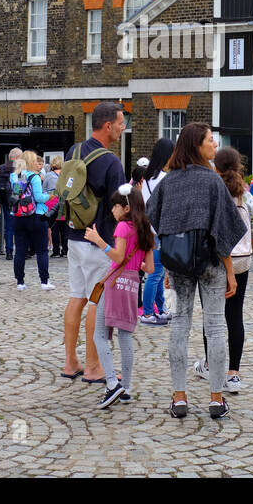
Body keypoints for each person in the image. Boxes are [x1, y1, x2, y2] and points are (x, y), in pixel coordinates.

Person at [145, 122, 247, 419]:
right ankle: (216, 398)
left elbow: (155, 221)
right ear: (196, 145)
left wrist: (166, 264)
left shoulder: (169, 181)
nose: (214, 144)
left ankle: (179, 398)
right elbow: (225, 232)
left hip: (177, 263)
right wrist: (230, 272)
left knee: (180, 323)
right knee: (215, 328)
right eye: (209, 140)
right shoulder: (213, 182)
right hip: (211, 264)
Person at [61, 102, 127, 384]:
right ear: (108, 125)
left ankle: (70, 362)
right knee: (97, 301)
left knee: (77, 296)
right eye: (121, 123)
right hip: (99, 241)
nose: (124, 128)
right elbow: (121, 206)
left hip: (74, 234)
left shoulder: (73, 151)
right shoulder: (111, 162)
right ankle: (93, 366)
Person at [192, 146, 253, 393]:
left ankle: (210, 364)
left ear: (216, 167)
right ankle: (234, 373)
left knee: (211, 315)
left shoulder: (210, 194)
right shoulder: (248, 197)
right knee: (235, 315)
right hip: (242, 261)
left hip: (213, 262)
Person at [85, 183, 156, 409]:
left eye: (115, 206)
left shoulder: (123, 228)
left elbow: (117, 254)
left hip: (116, 282)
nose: (112, 210)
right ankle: (125, 387)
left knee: (99, 334)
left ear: (125, 207)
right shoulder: (145, 228)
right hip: (133, 282)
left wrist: (99, 241)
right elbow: (150, 268)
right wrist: (135, 262)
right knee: (125, 336)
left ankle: (112, 383)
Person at [139, 137, 174, 323]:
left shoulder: (147, 178)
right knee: (155, 274)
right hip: (159, 230)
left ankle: (160, 309)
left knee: (158, 274)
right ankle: (147, 313)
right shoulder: (163, 178)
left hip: (148, 229)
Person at [12, 150, 54, 291]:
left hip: (19, 216)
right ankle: (44, 281)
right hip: (36, 215)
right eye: (35, 160)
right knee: (42, 250)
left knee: (20, 250)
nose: (37, 163)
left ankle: (20, 282)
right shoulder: (34, 177)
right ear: (31, 162)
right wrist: (51, 196)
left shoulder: (16, 176)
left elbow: (16, 195)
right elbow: (39, 198)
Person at [0, 147, 22, 259]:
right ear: (16, 157)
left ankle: (9, 251)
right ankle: (21, 250)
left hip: (5, 199)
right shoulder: (20, 168)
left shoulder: (2, 167)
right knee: (19, 226)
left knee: (8, 226)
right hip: (16, 199)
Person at [47, 156, 67, 257]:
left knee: (54, 228)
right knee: (64, 228)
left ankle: (56, 251)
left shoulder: (49, 175)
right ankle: (65, 250)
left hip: (52, 201)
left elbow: (44, 188)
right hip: (63, 201)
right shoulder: (66, 175)